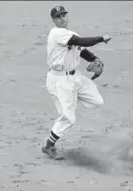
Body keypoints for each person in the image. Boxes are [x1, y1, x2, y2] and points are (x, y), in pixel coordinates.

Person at [43, 5, 111, 159]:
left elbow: (81, 49)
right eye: (59, 17)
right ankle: (48, 145)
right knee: (68, 118)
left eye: (64, 15)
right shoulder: (56, 34)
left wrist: (94, 59)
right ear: (53, 20)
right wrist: (101, 38)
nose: (63, 18)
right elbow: (81, 41)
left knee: (97, 101)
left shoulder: (70, 34)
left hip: (75, 77)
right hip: (59, 80)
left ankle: (71, 97)